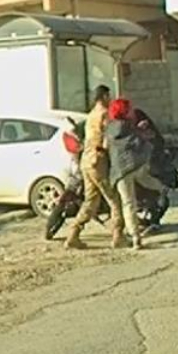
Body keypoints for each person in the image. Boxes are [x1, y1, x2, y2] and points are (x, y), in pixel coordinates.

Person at [66, 85, 122, 250]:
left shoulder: (91, 115)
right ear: (104, 96)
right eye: (108, 96)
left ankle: (73, 233)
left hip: (86, 161)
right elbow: (107, 139)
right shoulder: (104, 114)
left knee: (91, 200)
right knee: (114, 198)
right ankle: (118, 234)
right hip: (98, 160)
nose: (110, 99)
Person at [105, 99, 149, 250]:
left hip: (118, 172)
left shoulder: (110, 129)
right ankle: (137, 235)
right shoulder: (129, 128)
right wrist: (141, 132)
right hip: (133, 168)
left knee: (127, 203)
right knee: (133, 202)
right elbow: (137, 144)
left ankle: (134, 236)